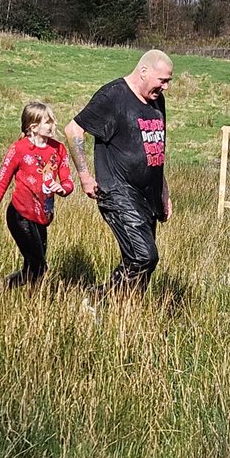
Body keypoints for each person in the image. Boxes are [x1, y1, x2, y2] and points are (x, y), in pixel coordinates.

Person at [64, 50, 172, 297]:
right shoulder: (113, 96)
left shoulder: (157, 101)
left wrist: (164, 192)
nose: (165, 87)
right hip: (118, 191)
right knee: (145, 255)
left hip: (148, 196)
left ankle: (122, 317)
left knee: (140, 267)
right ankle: (97, 298)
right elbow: (73, 130)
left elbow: (156, 149)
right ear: (144, 71)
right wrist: (84, 176)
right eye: (162, 80)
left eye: (169, 81)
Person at [0, 102, 73, 297]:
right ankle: (2, 293)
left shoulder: (59, 149)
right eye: (48, 122)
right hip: (19, 215)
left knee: (33, 269)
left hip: (42, 218)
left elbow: (68, 180)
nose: (53, 125)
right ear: (33, 127)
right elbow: (1, 182)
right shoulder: (19, 149)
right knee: (39, 267)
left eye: (52, 121)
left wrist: (62, 189)